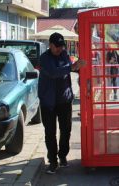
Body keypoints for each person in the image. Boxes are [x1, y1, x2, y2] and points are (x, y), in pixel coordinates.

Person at [38, 32, 86, 174]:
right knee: (50, 132)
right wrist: (72, 67)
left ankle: (62, 156)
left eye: (61, 46)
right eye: (57, 46)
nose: (59, 49)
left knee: (66, 130)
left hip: (64, 99)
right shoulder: (44, 58)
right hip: (48, 101)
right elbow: (53, 72)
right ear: (50, 45)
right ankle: (53, 162)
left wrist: (83, 70)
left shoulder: (64, 55)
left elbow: (71, 68)